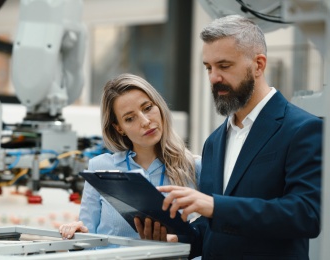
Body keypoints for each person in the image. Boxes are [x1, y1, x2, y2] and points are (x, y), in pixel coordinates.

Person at [136, 14, 322, 259]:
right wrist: (177, 240)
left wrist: (214, 206)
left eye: (224, 66)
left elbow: (306, 214)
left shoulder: (302, 128)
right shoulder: (214, 142)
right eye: (208, 68)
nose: (214, 77)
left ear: (258, 65)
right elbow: (214, 227)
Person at [59, 73, 201, 242]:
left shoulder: (194, 168)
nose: (145, 121)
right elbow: (86, 237)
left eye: (147, 108)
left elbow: (207, 236)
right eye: (130, 118)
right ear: (119, 128)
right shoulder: (100, 168)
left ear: (159, 106)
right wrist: (76, 232)